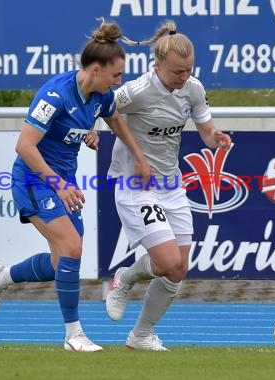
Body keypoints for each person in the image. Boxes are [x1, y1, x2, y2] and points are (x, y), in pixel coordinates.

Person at [0, 19, 152, 352]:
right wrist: (59, 184)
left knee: (63, 262)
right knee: (73, 249)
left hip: (64, 182)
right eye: (116, 75)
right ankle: (73, 335)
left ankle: (2, 277)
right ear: (94, 69)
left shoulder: (100, 96)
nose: (120, 82)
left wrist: (138, 156)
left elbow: (114, 118)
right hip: (35, 179)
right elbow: (25, 146)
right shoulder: (55, 95)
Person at [105, 20, 232, 351]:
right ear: (157, 64)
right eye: (177, 71)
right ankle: (124, 279)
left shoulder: (193, 88)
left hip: (171, 183)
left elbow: (205, 129)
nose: (184, 77)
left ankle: (141, 336)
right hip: (135, 182)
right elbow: (102, 108)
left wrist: (215, 138)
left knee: (178, 269)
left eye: (188, 69)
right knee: (164, 261)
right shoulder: (137, 91)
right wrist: (91, 133)